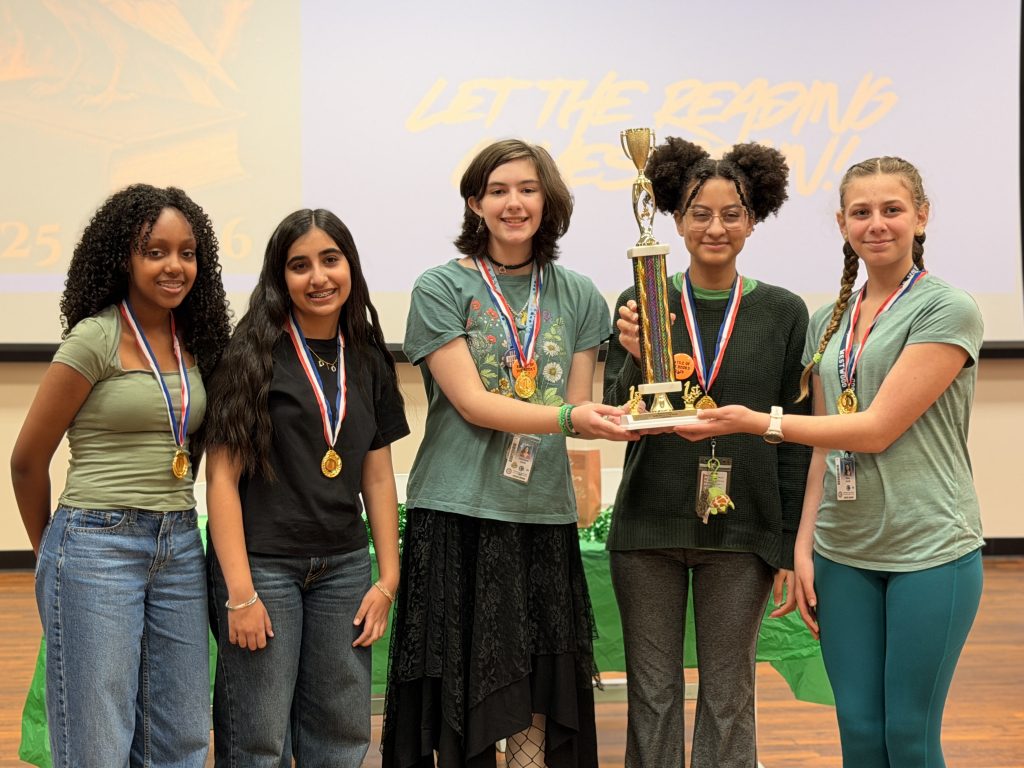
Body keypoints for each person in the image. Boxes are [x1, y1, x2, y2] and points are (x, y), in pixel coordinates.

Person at [675, 156, 985, 768]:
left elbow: (873, 429)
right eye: (861, 212)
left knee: (909, 735)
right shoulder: (829, 321)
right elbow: (826, 446)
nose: (877, 224)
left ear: (921, 217)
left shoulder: (948, 309)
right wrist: (804, 545)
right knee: (861, 733)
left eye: (892, 210)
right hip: (844, 552)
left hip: (931, 547)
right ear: (843, 223)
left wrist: (756, 421)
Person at [381, 139, 636, 768]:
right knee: (460, 683)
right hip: (456, 509)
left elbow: (575, 409)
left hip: (540, 513)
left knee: (536, 687)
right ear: (475, 203)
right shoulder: (441, 286)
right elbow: (472, 402)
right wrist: (572, 415)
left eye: (526, 188)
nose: (513, 202)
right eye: (497, 190)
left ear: (547, 200)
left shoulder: (577, 293)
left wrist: (619, 401)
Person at [603, 138, 811, 767]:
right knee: (654, 694)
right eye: (700, 212)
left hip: (740, 528)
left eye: (731, 213)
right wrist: (639, 360)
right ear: (675, 220)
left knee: (728, 696)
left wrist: (786, 540)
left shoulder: (782, 311)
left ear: (753, 219)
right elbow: (620, 415)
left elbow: (794, 435)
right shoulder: (643, 300)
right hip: (649, 524)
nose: (715, 227)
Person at [10, 184, 231, 767]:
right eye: (155, 251)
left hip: (180, 542)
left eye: (187, 252)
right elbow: (27, 459)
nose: (174, 266)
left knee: (180, 733)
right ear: (122, 257)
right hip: (94, 543)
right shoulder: (96, 337)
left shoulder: (195, 343)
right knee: (98, 740)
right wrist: (50, 556)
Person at [202, 209, 409, 767]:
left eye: (330, 260)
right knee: (259, 733)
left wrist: (387, 576)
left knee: (341, 730)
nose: (318, 277)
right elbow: (220, 478)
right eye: (300, 265)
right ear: (279, 277)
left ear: (351, 268)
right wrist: (240, 593)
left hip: (344, 568)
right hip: (263, 568)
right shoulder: (249, 355)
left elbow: (378, 473)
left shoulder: (367, 357)